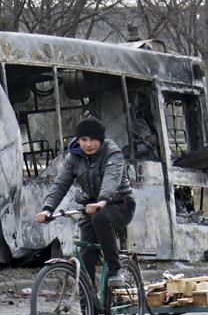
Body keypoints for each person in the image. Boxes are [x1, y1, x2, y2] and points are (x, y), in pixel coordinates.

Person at [34, 115, 136, 288]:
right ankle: (87, 313)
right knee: (85, 260)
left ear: (101, 140)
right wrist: (47, 209)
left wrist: (102, 200)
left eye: (93, 140)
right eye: (83, 139)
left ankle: (114, 270)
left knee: (101, 218)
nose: (88, 144)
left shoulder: (113, 153)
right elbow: (61, 184)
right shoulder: (73, 157)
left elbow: (111, 180)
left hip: (120, 204)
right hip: (91, 206)